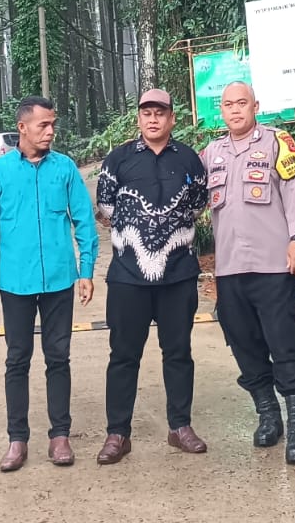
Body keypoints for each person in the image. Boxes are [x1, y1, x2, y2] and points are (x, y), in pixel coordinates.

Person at [0, 95, 98, 473]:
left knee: (58, 357)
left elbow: (84, 223)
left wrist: (86, 270)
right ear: (22, 128)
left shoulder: (65, 169)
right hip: (15, 283)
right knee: (17, 359)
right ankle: (17, 439)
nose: (50, 131)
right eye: (43, 124)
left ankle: (60, 435)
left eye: (53, 124)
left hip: (60, 280)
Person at [199, 81, 295, 464]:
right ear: (221, 111)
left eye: (242, 103)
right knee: (244, 343)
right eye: (228, 105)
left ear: (256, 106)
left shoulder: (277, 142)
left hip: (273, 265)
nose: (235, 110)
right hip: (230, 269)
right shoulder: (211, 154)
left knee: (285, 342)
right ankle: (268, 414)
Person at [93, 87, 209, 465]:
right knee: (123, 355)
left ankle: (180, 426)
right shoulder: (118, 160)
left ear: (172, 118)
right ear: (138, 118)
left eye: (161, 112)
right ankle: (118, 434)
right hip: (128, 276)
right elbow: (106, 208)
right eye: (147, 112)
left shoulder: (190, 160)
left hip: (178, 274)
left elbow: (197, 208)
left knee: (178, 352)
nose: (153, 119)